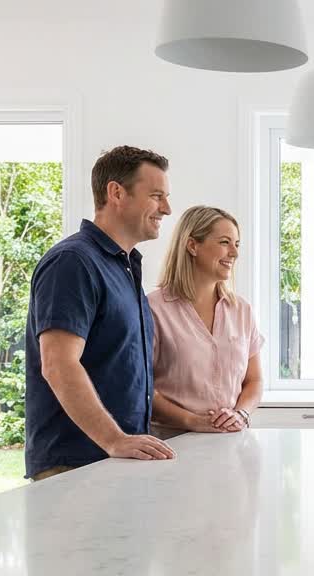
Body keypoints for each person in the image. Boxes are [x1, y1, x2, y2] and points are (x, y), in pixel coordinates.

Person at [23, 145, 177, 481]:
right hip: (75, 466)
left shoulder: (124, 267)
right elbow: (58, 363)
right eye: (156, 196)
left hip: (116, 462)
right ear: (116, 193)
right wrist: (114, 439)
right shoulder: (73, 262)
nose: (166, 209)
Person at [147, 205, 263, 436]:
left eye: (237, 244)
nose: (234, 253)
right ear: (192, 245)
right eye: (224, 242)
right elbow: (143, 389)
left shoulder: (242, 310)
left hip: (231, 444)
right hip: (172, 444)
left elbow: (254, 380)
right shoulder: (152, 309)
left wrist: (240, 414)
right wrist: (193, 421)